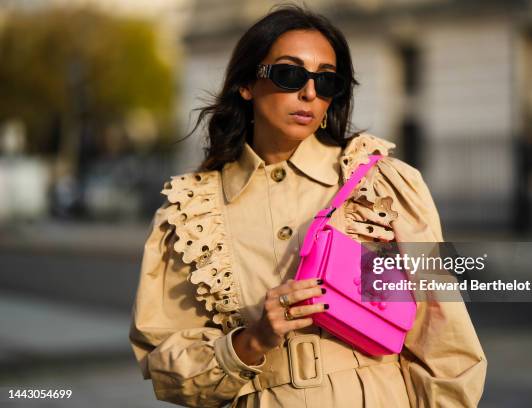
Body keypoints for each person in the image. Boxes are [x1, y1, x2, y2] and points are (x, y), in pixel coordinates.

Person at [129, 5, 487, 408]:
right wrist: (251, 341)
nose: (310, 93)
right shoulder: (191, 212)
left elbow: (444, 339)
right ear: (247, 84)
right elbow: (166, 364)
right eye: (289, 74)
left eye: (327, 80)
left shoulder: (383, 185)